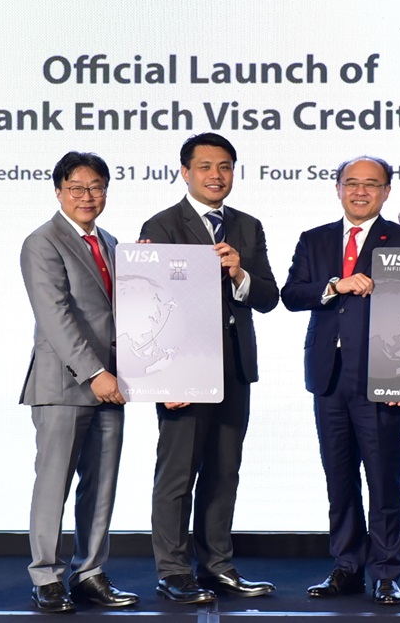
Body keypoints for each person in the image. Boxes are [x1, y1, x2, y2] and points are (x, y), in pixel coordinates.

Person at [140, 132, 279, 604]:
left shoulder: (248, 226)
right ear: (185, 172)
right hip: (181, 371)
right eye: (205, 166)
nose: (216, 175)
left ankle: (217, 566)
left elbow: (268, 297)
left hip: (234, 366)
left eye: (224, 167)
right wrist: (163, 379)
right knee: (177, 475)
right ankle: (173, 571)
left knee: (224, 471)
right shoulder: (162, 224)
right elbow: (148, 304)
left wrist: (240, 273)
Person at [281, 156, 400, 605]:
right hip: (329, 376)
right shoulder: (315, 239)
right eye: (352, 183)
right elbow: (291, 294)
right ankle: (346, 566)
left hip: (382, 377)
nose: (360, 191)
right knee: (339, 478)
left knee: (383, 478)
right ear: (338, 188)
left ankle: (386, 571)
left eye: (371, 184)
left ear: (387, 191)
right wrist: (334, 286)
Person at [18, 152, 139, 613]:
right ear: (58, 192)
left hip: (114, 382)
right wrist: (95, 372)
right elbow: (56, 316)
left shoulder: (111, 242)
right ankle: (47, 578)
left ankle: (89, 573)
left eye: (96, 187)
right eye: (77, 188)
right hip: (66, 384)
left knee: (101, 485)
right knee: (54, 484)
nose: (87, 196)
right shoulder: (42, 242)